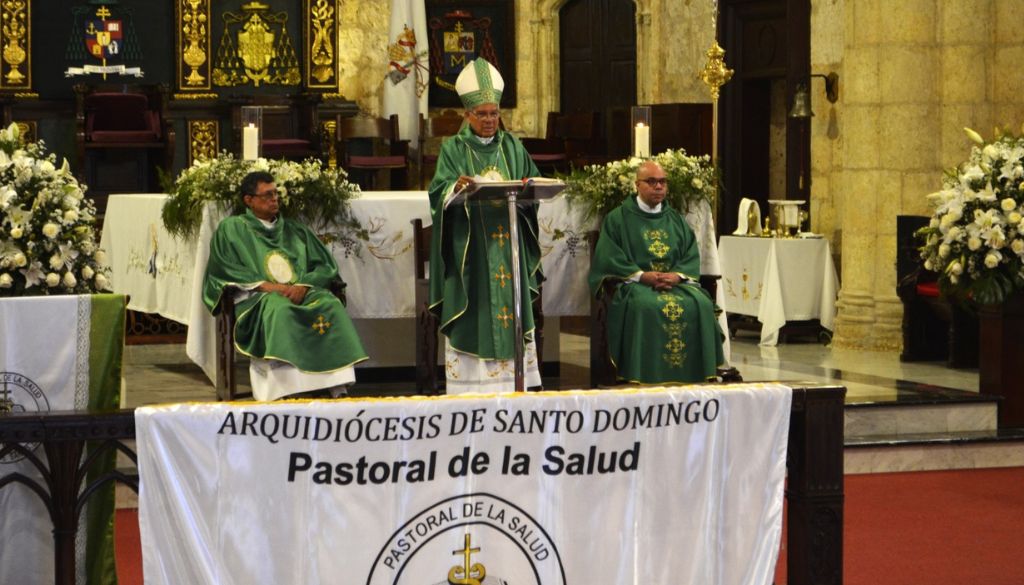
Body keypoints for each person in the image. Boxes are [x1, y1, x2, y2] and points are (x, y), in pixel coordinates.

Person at [427, 59, 543, 393]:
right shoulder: (453, 148)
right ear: (467, 115)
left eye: (494, 114)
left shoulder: (513, 146)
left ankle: (516, 380)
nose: (490, 121)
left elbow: (532, 183)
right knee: (475, 306)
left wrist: (529, 187)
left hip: (510, 244)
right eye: (483, 114)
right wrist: (455, 188)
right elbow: (438, 192)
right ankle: (471, 385)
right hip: (472, 248)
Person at [203, 171, 368, 400]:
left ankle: (336, 384)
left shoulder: (295, 230)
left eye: (276, 194)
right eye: (267, 195)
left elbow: (324, 265)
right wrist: (270, 287)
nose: (274, 199)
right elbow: (224, 268)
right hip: (258, 297)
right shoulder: (231, 229)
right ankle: (285, 388)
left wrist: (303, 285)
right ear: (248, 200)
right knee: (279, 310)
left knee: (329, 303)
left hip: (300, 291)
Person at [588, 161, 725, 384]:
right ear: (637, 185)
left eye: (662, 182)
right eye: (651, 182)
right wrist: (642, 275)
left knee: (701, 303)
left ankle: (697, 373)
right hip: (636, 285)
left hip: (675, 284)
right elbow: (609, 256)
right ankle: (641, 374)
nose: (658, 186)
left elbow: (690, 254)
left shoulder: (676, 220)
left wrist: (677, 276)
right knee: (644, 306)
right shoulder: (618, 219)